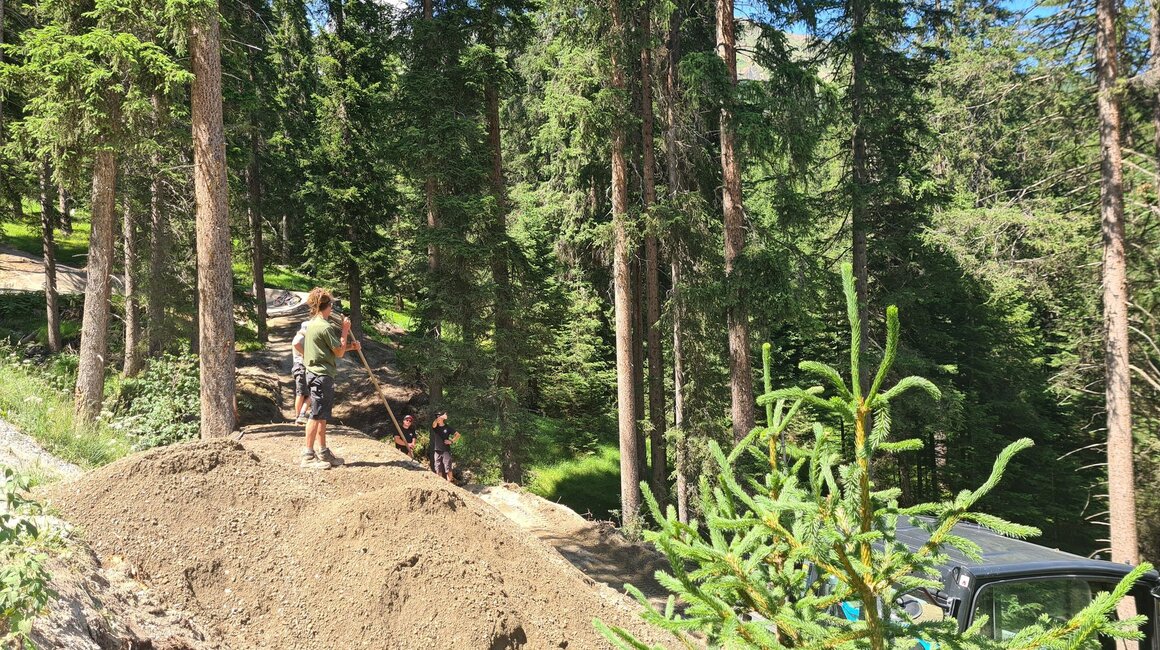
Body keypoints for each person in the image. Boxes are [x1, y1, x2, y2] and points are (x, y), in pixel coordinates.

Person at [300, 288, 361, 468]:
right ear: (327, 306)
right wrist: (345, 330)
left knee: (321, 415)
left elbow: (331, 350)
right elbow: (339, 353)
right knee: (316, 415)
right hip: (321, 375)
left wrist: (351, 346)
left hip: (316, 373)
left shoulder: (313, 323)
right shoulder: (325, 327)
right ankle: (308, 456)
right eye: (331, 304)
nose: (332, 307)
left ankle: (323, 451)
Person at [429, 412, 460, 483]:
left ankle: (449, 483)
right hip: (437, 450)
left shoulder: (447, 427)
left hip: (446, 450)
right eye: (437, 417)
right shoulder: (436, 427)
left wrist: (451, 441)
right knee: (438, 468)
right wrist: (441, 417)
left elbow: (458, 435)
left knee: (448, 468)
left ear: (443, 419)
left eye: (439, 417)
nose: (438, 418)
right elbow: (434, 424)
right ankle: (440, 484)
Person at [291, 320, 311, 424]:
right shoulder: (301, 336)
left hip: (302, 367)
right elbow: (296, 344)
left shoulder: (302, 336)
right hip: (301, 366)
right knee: (302, 393)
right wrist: (305, 354)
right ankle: (299, 416)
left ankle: (300, 415)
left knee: (306, 393)